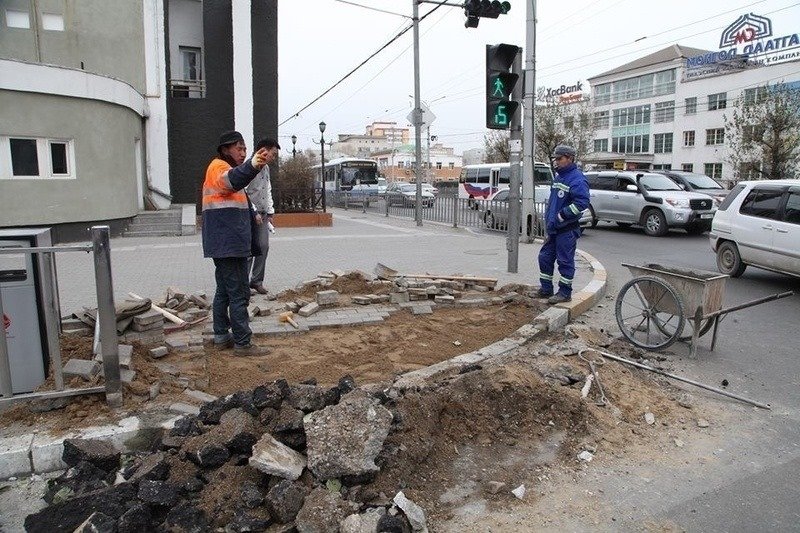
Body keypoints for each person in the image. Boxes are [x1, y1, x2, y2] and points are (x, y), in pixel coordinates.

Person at [202, 130, 270, 354]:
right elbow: (232, 181)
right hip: (229, 243)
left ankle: (221, 335)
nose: (243, 153)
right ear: (225, 150)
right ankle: (243, 342)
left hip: (226, 242)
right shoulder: (219, 168)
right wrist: (253, 165)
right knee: (239, 292)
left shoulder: (225, 168)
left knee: (224, 290)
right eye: (238, 149)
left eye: (244, 149)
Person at [537, 144, 590, 304]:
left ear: (569, 158)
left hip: (566, 230)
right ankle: (546, 289)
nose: (556, 162)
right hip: (554, 229)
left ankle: (565, 293)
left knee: (565, 261)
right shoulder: (559, 177)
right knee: (544, 257)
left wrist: (561, 215)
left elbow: (582, 203)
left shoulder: (577, 178)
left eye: (559, 159)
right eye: (555, 159)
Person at [246, 138, 281, 295]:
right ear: (263, 151)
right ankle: (243, 284)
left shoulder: (265, 168)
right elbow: (243, 191)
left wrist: (270, 211)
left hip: (263, 214)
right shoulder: (249, 166)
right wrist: (253, 211)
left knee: (263, 246)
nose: (274, 157)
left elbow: (267, 189)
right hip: (249, 214)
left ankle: (256, 281)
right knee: (248, 250)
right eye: (273, 154)